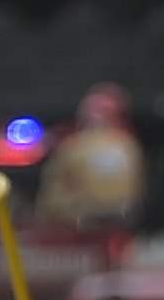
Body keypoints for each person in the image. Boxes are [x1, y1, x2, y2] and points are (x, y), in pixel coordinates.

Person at [48, 84, 147, 239]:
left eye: (105, 111)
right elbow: (57, 187)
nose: (97, 116)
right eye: (95, 110)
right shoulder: (72, 146)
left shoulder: (127, 146)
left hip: (117, 225)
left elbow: (135, 186)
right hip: (76, 227)